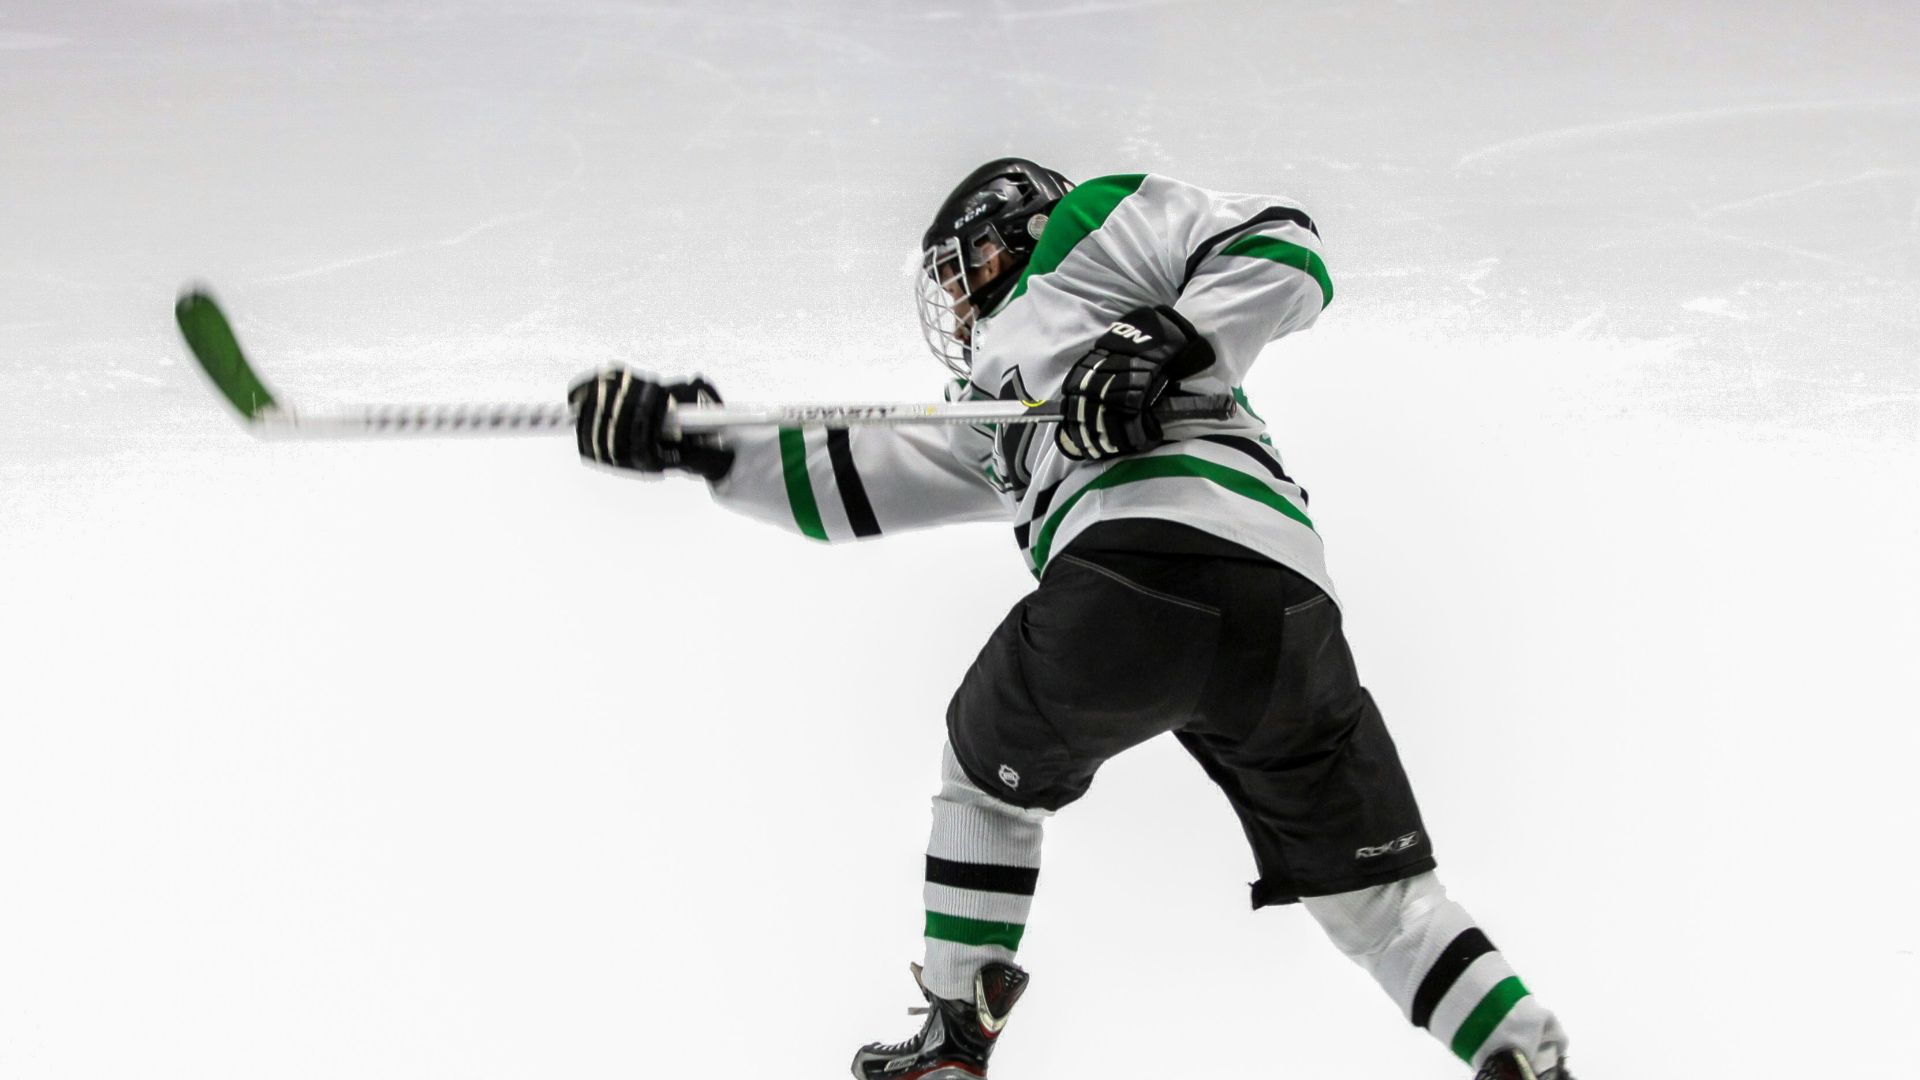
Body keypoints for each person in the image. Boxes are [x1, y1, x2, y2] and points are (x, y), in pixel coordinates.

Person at [569, 159, 1575, 1080]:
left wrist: (1164, 337)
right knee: (1380, 903)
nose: (958, 305)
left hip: (1134, 578)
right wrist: (696, 442)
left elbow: (1284, 242)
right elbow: (850, 480)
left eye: (961, 275)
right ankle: (1526, 1056)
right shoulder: (990, 405)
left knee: (986, 771)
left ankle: (954, 1038)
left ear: (1001, 233)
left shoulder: (1090, 231)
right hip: (1285, 614)